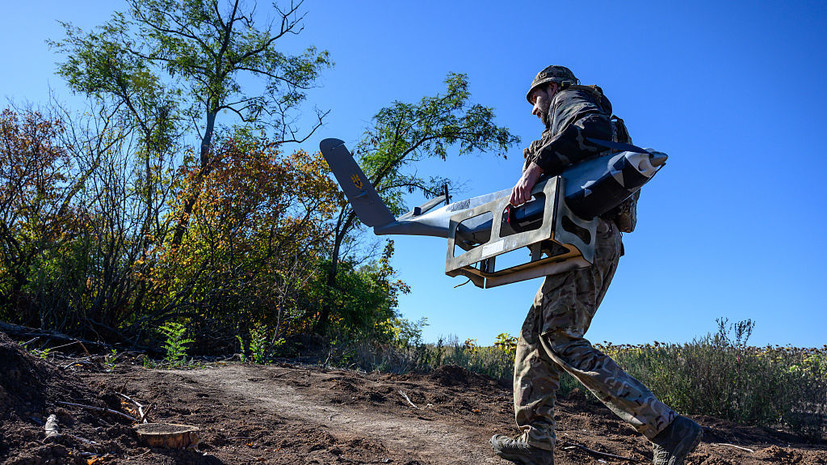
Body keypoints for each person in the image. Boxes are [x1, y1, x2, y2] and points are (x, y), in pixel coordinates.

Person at [489, 65, 703, 465]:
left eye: (535, 98)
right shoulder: (562, 115)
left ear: (551, 88)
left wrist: (535, 167)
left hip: (588, 237)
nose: (535, 110)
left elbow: (590, 128)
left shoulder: (571, 101)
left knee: (560, 337)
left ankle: (667, 428)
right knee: (534, 336)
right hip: (577, 240)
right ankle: (535, 439)